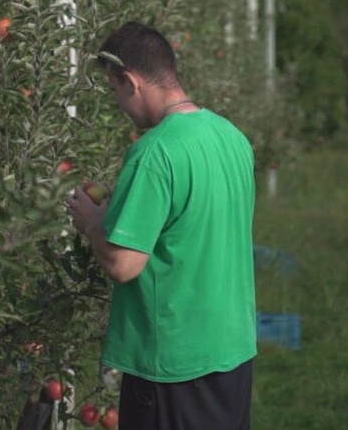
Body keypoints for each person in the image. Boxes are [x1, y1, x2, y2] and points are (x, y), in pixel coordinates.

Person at [66, 22, 257, 430]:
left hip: (172, 360)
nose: (119, 104)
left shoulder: (154, 153)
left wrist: (93, 224)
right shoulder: (231, 137)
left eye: (115, 91)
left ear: (130, 81)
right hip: (232, 348)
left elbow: (124, 264)